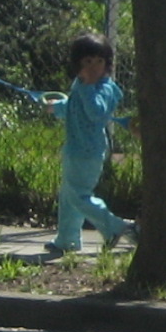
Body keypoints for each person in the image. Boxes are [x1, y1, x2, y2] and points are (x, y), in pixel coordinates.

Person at [46, 33, 135, 256]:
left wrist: (85, 88)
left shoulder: (104, 88)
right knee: (68, 196)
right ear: (77, 64)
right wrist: (57, 107)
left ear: (107, 64)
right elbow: (74, 107)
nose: (93, 67)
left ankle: (115, 226)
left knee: (79, 195)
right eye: (87, 62)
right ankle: (67, 239)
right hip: (74, 149)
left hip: (89, 152)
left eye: (99, 62)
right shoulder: (81, 84)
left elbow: (96, 113)